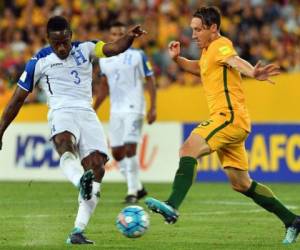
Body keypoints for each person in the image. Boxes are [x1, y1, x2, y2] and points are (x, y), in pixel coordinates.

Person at [145, 6, 300, 244]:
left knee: (188, 149)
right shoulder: (208, 53)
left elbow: (234, 60)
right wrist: (178, 59)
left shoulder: (220, 45)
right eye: (192, 30)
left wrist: (253, 72)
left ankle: (172, 205)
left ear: (213, 28)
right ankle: (292, 220)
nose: (193, 35)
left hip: (228, 116)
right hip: (233, 122)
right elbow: (198, 68)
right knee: (241, 183)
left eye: (198, 30)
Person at [0, 16, 145, 244]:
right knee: (64, 143)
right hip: (61, 111)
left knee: (97, 167)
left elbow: (113, 48)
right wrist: (1, 130)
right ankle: (80, 181)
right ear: (48, 39)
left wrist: (129, 36)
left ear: (71, 36)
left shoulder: (86, 48)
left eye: (65, 41)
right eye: (56, 42)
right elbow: (17, 100)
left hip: (87, 113)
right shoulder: (38, 61)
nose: (62, 47)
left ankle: (77, 230)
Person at [94, 21, 156, 204]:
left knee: (130, 148)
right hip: (116, 110)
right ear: (109, 37)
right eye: (114, 34)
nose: (118, 36)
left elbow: (150, 79)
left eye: (121, 33)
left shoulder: (138, 55)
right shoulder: (104, 60)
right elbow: (104, 87)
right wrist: (94, 108)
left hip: (135, 107)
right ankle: (138, 186)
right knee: (118, 153)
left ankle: (132, 192)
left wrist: (153, 107)